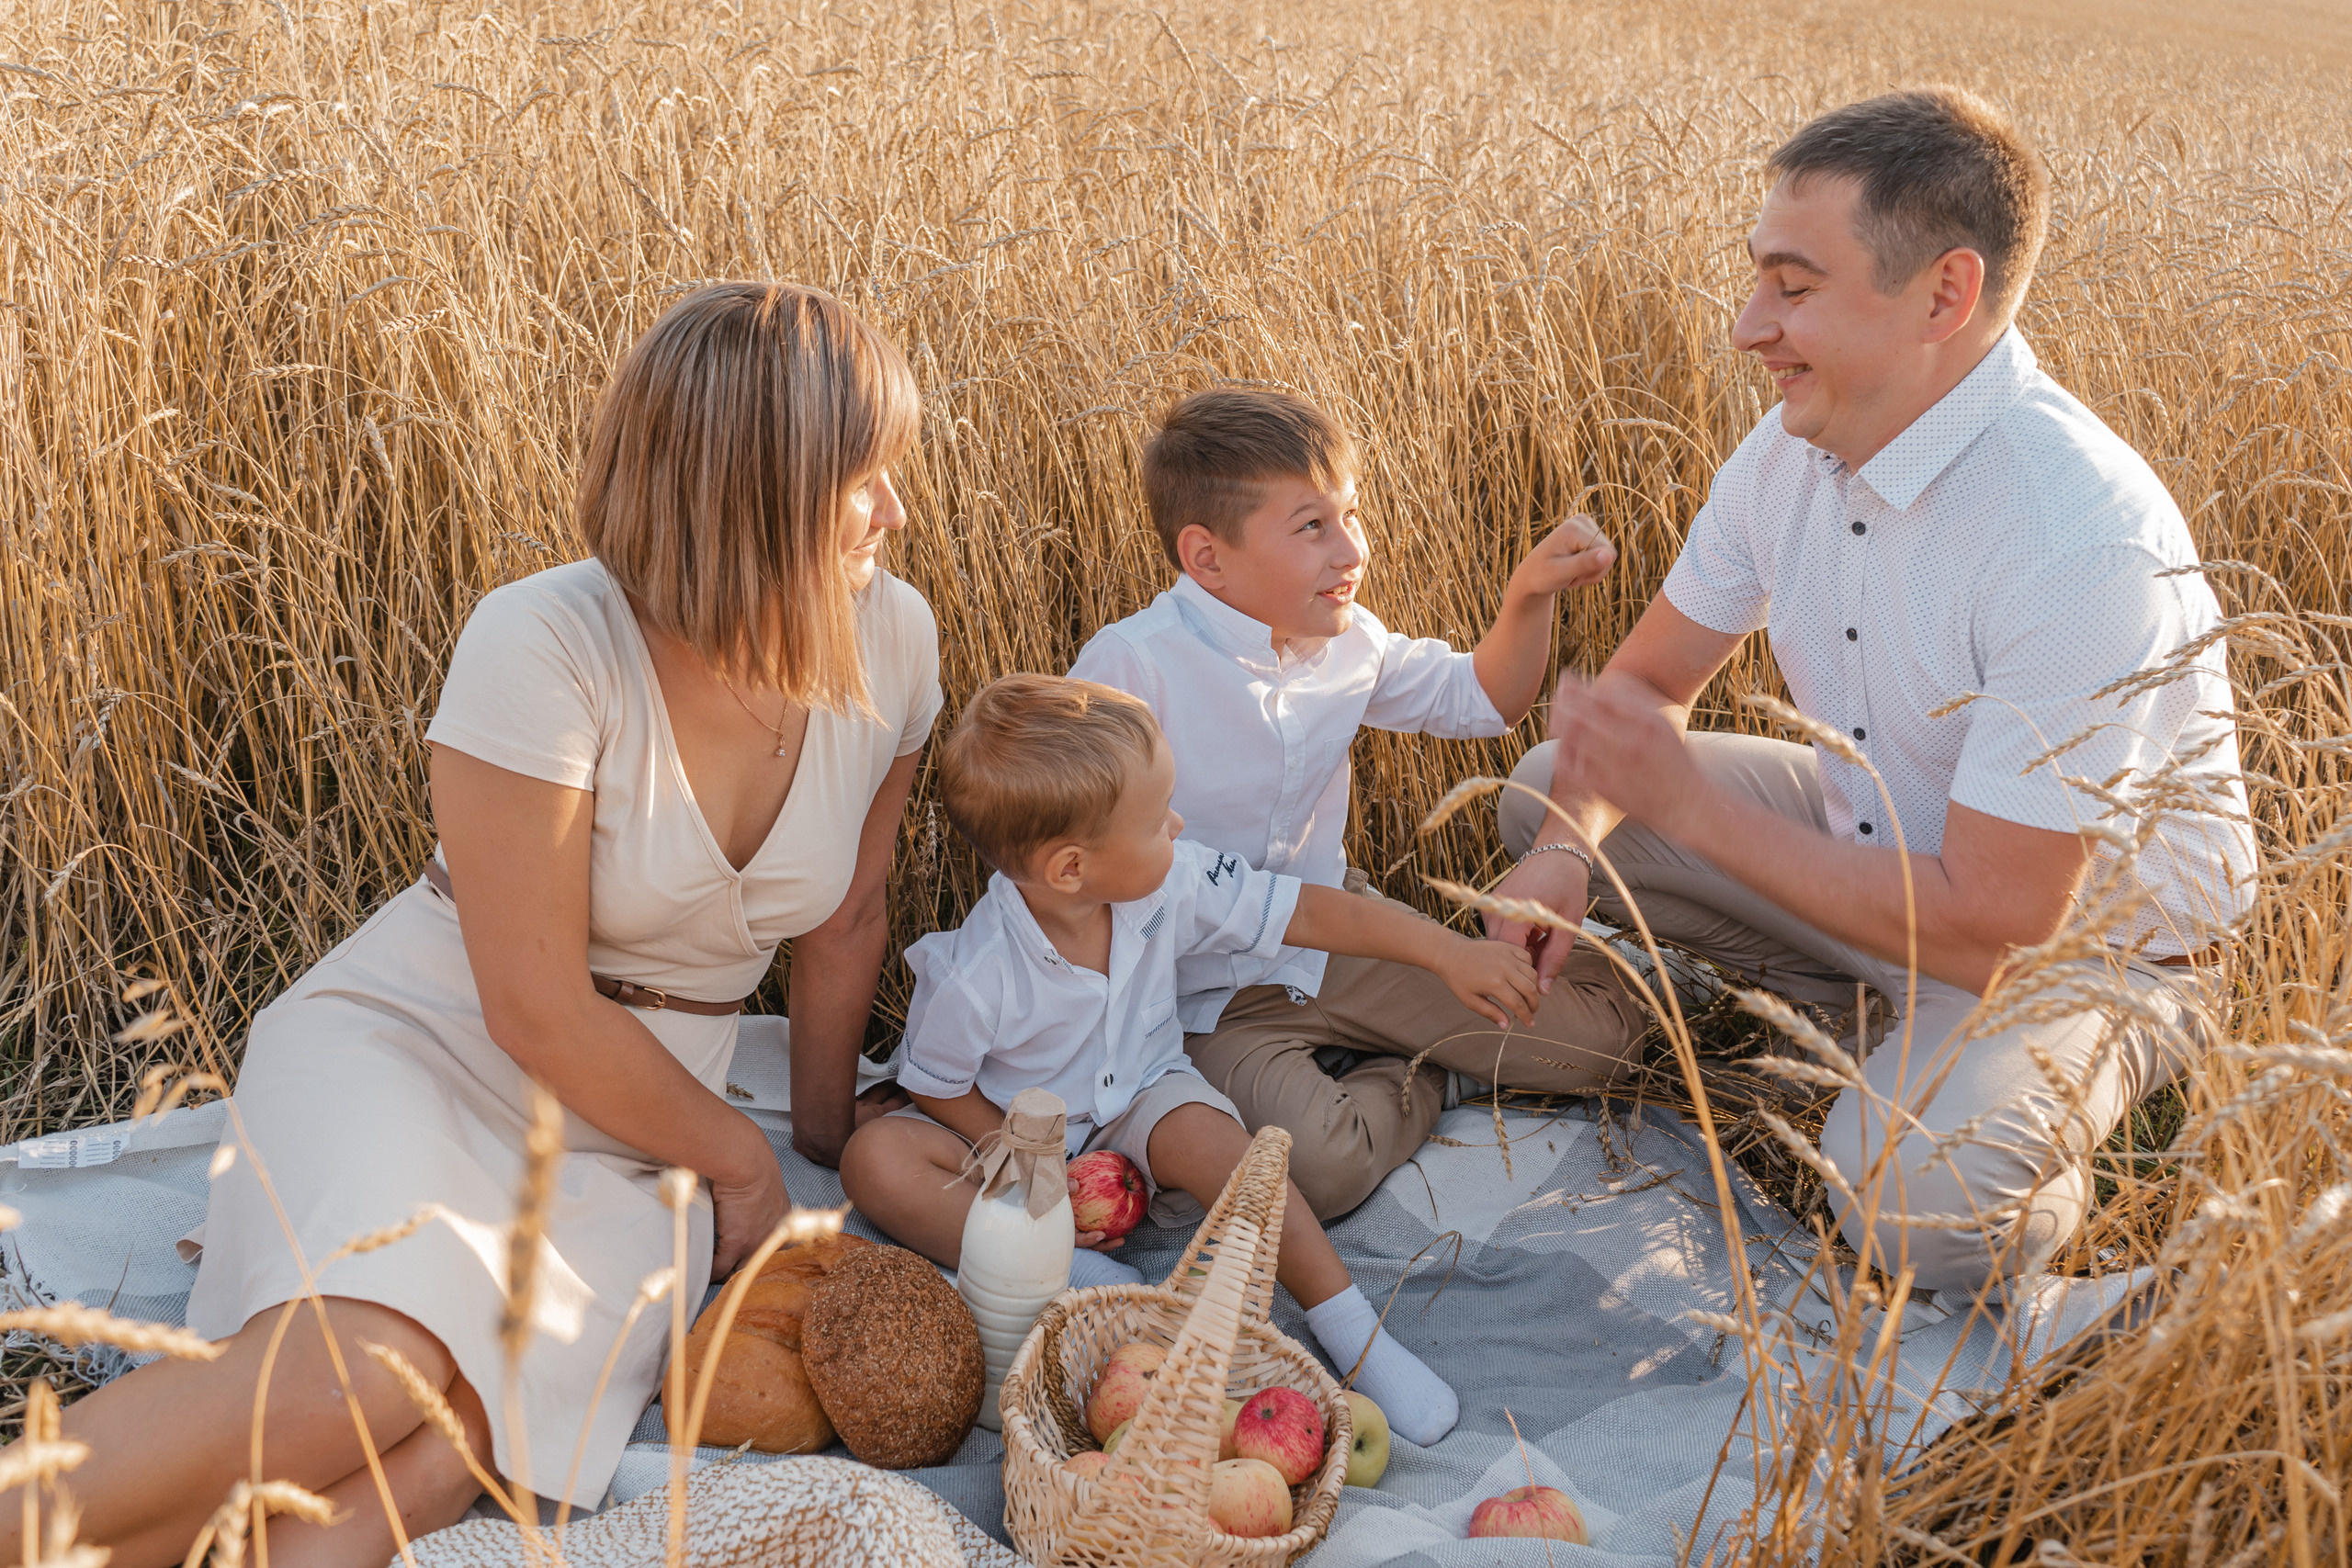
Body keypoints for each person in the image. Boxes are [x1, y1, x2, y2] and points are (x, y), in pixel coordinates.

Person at [9, 283, 941, 1566]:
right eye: (865, 475)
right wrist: (739, 1158)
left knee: (459, 1431)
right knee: (369, 1371)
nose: (897, 509)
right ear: (752, 487)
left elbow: (847, 923)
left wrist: (828, 1140)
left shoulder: (894, 637)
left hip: (642, 1124)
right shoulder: (544, 640)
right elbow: (537, 1004)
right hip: (436, 1038)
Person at [1487, 88, 2255, 1296]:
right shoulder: (1789, 449)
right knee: (1539, 799)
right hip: (1883, 846)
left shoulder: (2076, 536)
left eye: (1793, 289)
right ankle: (1886, 1028)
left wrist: (1683, 806)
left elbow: (1997, 923)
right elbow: (1639, 692)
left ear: (1944, 295)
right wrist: (1575, 848)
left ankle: (2011, 1141)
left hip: (2086, 952)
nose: (1749, 326)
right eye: (1759, 281)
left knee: (1914, 1195)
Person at [839, 674, 1535, 1443]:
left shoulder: (1175, 878)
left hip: (1145, 1097)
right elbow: (936, 1085)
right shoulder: (977, 973)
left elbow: (1300, 908)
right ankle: (1076, 1269)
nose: (1177, 823)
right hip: (1022, 1134)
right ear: (1071, 868)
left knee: (1235, 1151)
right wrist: (1036, 1171)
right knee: (877, 1158)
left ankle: (1355, 1334)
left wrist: (1444, 950)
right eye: (1154, 819)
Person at [1069, 389, 1645, 1220]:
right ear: (1207, 557)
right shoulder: (1127, 672)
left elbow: (1486, 698)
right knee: (1320, 1172)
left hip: (1334, 950)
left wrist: (1526, 597)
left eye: (1352, 515)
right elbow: (1093, 869)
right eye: (1312, 527)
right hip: (1199, 1001)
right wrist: (1431, 967)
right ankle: (1424, 1063)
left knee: (1597, 1044)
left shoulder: (1349, 640)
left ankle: (1413, 1031)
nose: (1352, 550)